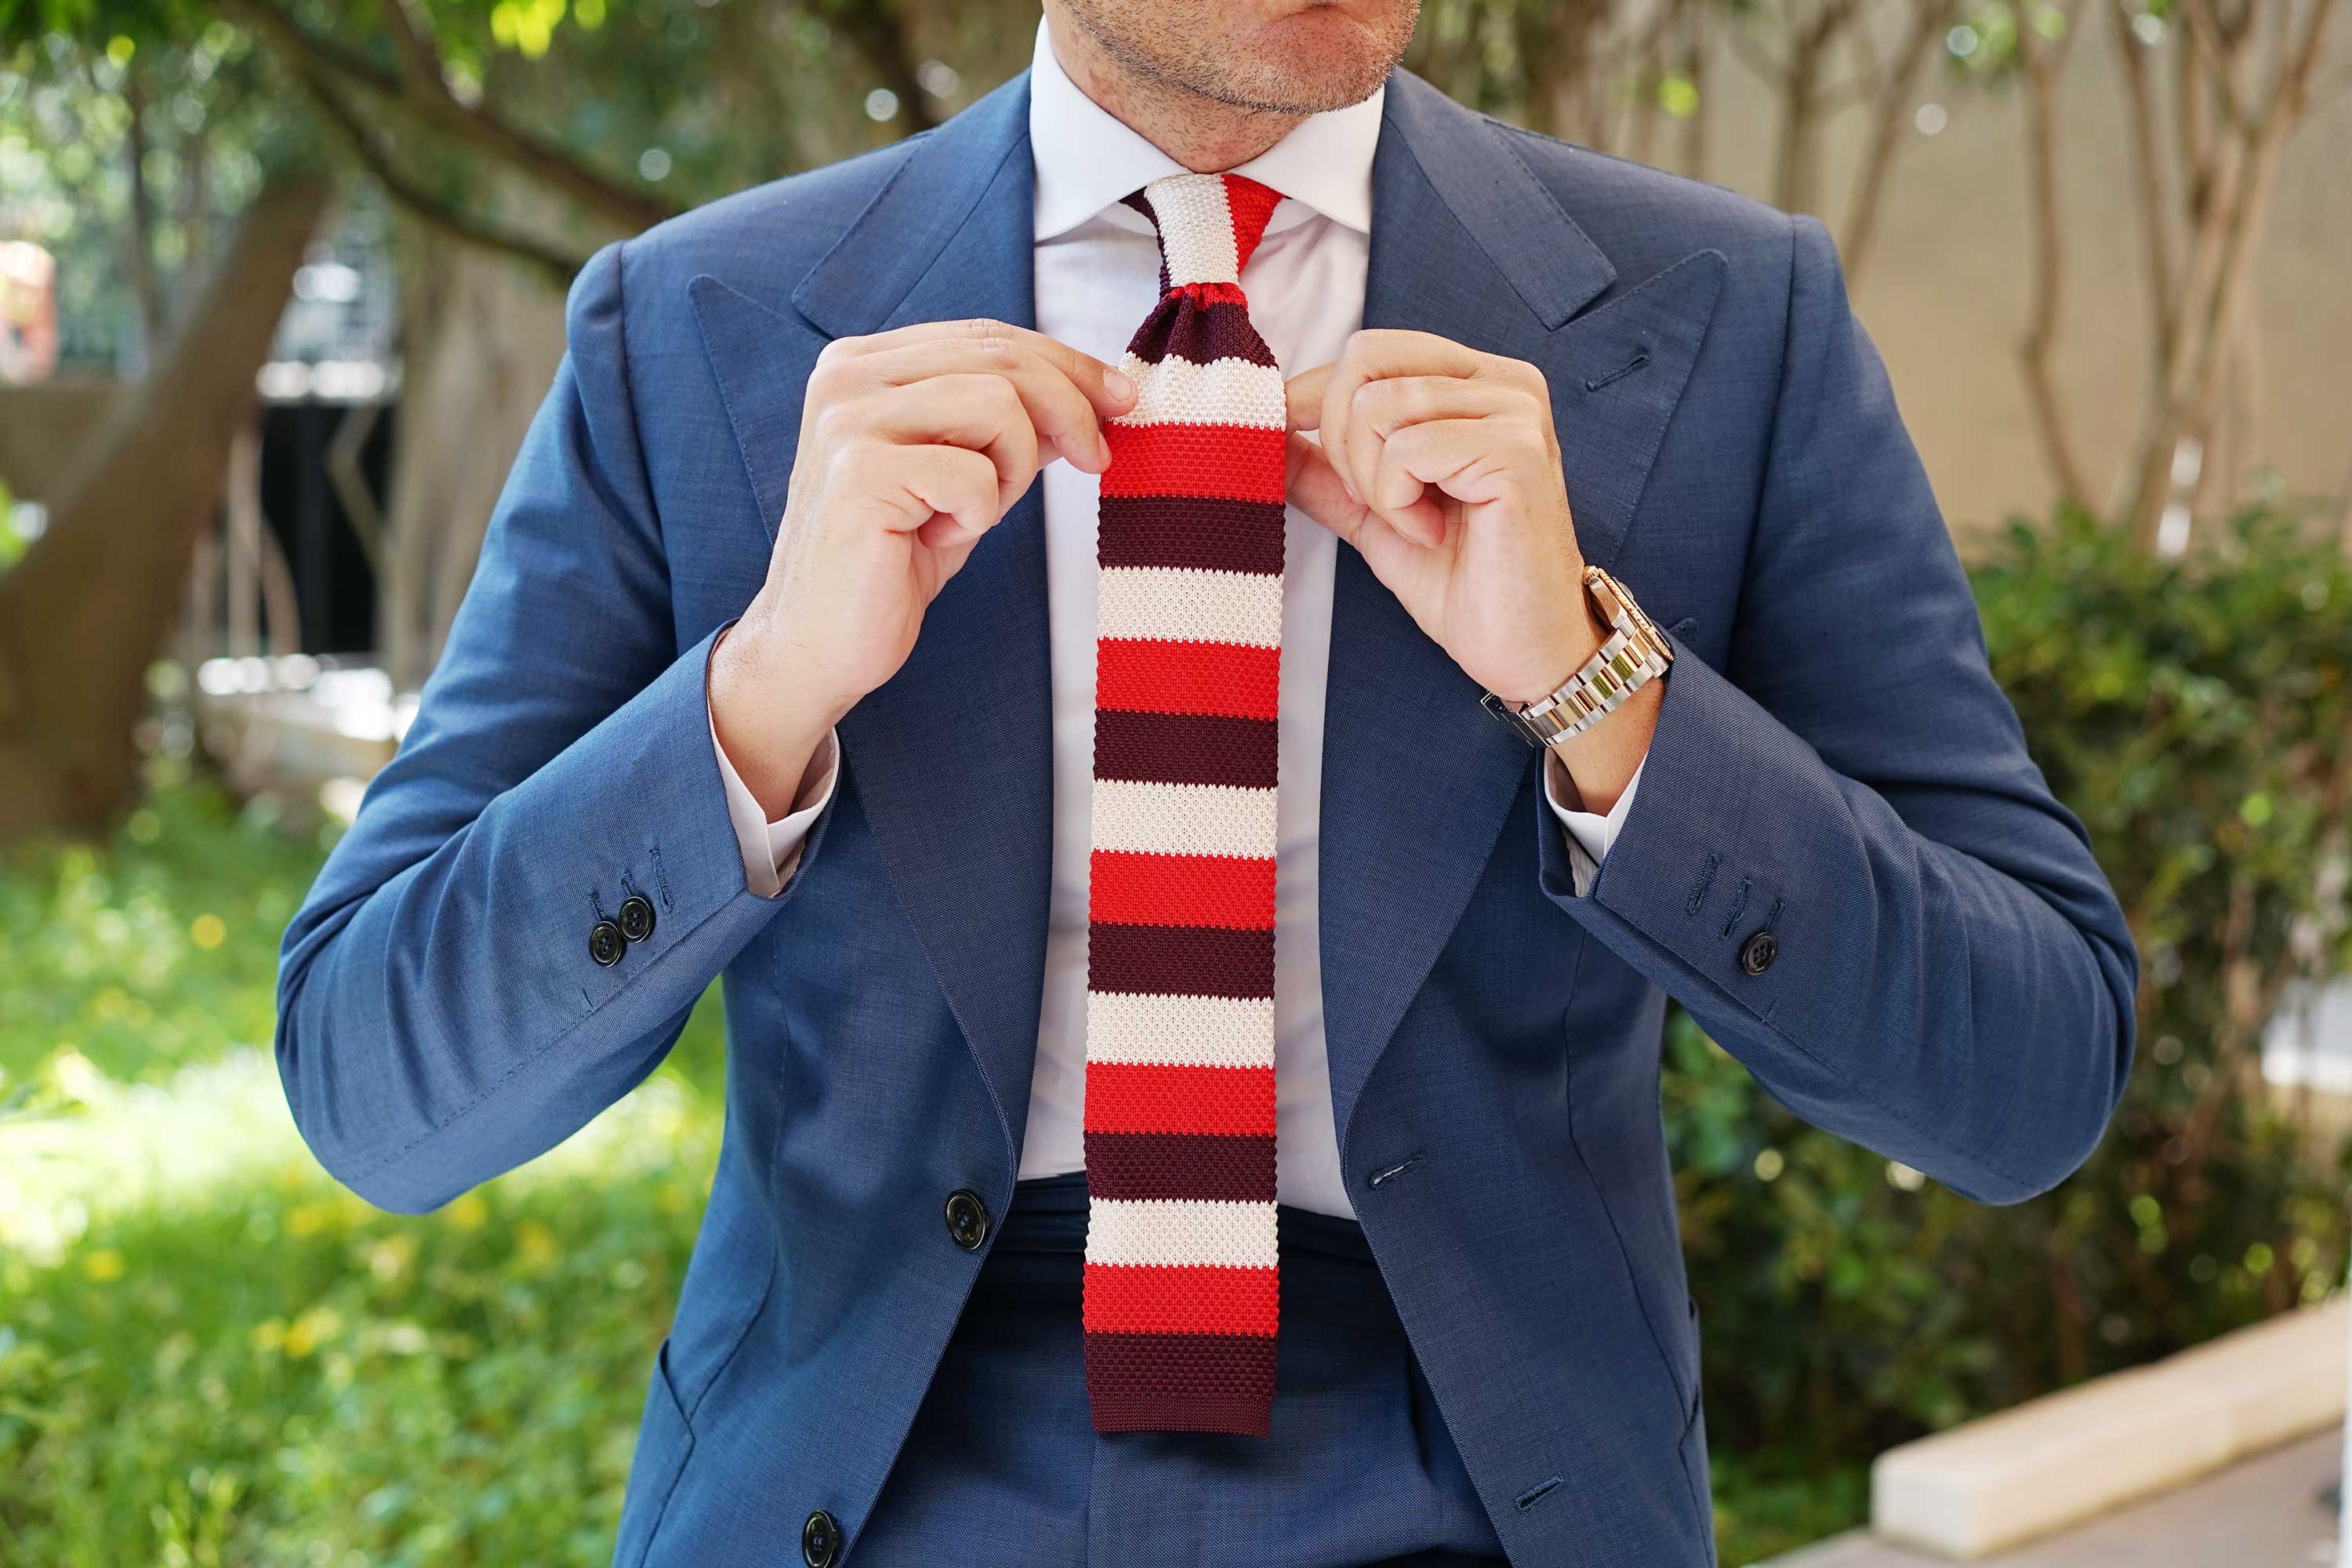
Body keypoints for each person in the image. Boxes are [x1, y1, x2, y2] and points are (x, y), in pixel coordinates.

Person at [274, 2, 2139, 1563]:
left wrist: (1596, 685)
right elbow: (378, 1084)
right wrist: (761, 698)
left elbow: (2028, 1070)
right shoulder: (689, 332)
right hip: (867, 1469)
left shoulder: (1728, 317)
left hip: (1473, 1475)